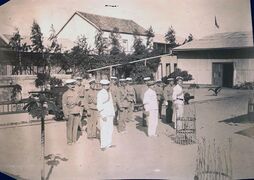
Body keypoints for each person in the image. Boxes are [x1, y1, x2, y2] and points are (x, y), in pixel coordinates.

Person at [97, 79, 115, 151]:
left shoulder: (109, 92)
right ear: (102, 86)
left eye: (107, 85)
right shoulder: (100, 93)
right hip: (105, 114)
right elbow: (99, 105)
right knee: (104, 129)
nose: (106, 86)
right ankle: (103, 145)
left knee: (110, 129)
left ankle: (109, 143)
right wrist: (102, 115)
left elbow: (110, 104)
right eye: (105, 85)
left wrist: (113, 113)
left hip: (110, 113)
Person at [62, 79, 82, 144]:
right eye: (71, 84)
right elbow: (64, 105)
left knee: (75, 127)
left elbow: (79, 102)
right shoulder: (65, 94)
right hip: (70, 111)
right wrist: (65, 114)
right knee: (69, 127)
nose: (73, 85)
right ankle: (69, 141)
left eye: (73, 84)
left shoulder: (76, 92)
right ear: (67, 85)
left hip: (76, 111)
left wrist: (79, 108)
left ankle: (74, 140)